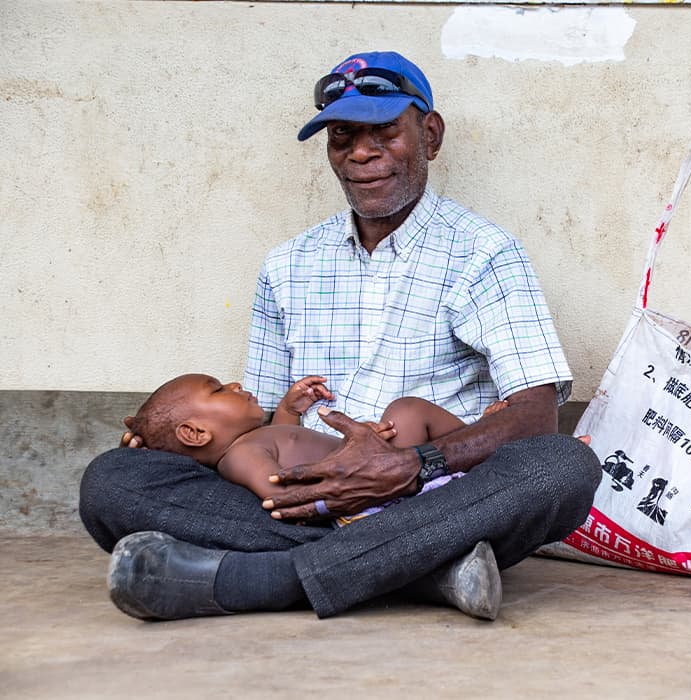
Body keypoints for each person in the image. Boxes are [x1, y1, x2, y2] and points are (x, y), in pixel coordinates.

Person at [79, 49, 602, 622]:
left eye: (384, 131)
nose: (361, 152)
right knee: (113, 479)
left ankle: (253, 581)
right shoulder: (288, 264)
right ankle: (424, 572)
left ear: (429, 134)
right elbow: (254, 425)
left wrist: (416, 465)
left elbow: (533, 416)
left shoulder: (484, 253)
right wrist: (167, 442)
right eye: (342, 136)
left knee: (561, 466)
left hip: (429, 498)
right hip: (297, 499)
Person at [128, 373, 506, 525]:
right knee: (406, 412)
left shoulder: (255, 439)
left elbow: (285, 439)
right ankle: (490, 452)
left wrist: (292, 409)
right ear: (195, 434)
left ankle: (476, 443)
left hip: (376, 465)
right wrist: (357, 457)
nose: (235, 383)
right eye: (218, 390)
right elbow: (285, 492)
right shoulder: (239, 458)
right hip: (367, 494)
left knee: (406, 412)